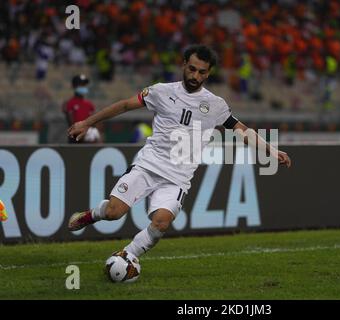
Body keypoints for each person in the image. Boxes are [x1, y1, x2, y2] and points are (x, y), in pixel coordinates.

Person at [67, 45, 291, 266]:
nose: (195, 75)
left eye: (202, 72)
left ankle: (125, 257)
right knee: (114, 212)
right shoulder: (162, 91)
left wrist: (271, 150)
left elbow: (242, 131)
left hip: (178, 178)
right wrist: (87, 123)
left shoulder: (215, 105)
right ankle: (92, 215)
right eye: (192, 69)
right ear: (184, 65)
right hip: (148, 165)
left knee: (161, 224)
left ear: (209, 73)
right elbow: (126, 105)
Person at [62, 74, 101, 143]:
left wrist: (95, 134)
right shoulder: (69, 103)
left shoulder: (89, 104)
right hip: (76, 140)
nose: (83, 87)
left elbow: (95, 123)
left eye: (84, 85)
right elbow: (71, 124)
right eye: (81, 85)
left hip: (89, 140)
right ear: (74, 86)